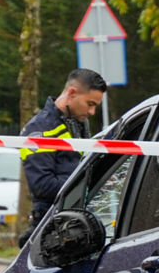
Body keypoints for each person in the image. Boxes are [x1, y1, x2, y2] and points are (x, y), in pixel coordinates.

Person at [17, 68, 107, 247]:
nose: (92, 112)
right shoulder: (40, 130)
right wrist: (88, 183)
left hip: (77, 221)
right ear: (72, 93)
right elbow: (42, 185)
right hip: (50, 225)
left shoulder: (77, 124)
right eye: (90, 104)